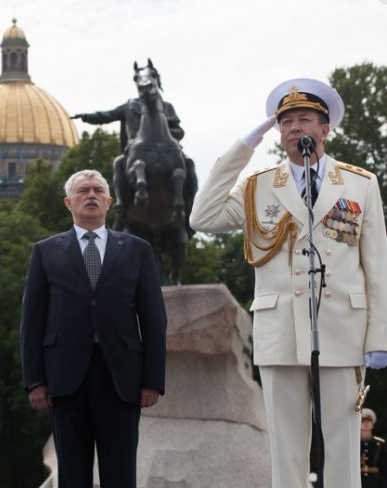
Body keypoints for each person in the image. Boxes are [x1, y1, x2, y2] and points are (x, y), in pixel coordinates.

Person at [189, 78, 387, 488]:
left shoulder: (359, 183)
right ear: (277, 133)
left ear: (325, 128)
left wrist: (379, 337)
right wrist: (243, 147)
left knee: (343, 445)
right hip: (280, 330)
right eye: (286, 122)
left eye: (305, 119)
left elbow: (377, 265)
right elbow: (202, 217)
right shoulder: (258, 185)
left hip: (343, 328)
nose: (296, 128)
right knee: (286, 446)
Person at [20, 169, 167, 488]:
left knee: (121, 472)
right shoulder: (45, 252)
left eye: (98, 190)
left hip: (121, 378)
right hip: (65, 378)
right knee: (71, 474)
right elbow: (32, 321)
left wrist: (152, 380)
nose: (91, 195)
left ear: (109, 201)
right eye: (83, 190)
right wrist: (35, 381)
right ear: (68, 202)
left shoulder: (136, 250)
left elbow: (154, 318)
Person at [72, 69, 198, 234]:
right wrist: (86, 117)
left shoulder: (166, 107)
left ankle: (190, 211)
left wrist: (162, 133)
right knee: (118, 163)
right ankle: (121, 207)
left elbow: (179, 132)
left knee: (188, 164)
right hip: (135, 150)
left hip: (166, 147)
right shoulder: (129, 105)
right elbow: (107, 115)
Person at [361, 408, 387, 487]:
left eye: (368, 421)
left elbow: (384, 468)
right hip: (358, 481)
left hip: (376, 482)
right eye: (362, 421)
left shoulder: (380, 444)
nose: (365, 423)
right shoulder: (354, 444)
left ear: (372, 424)